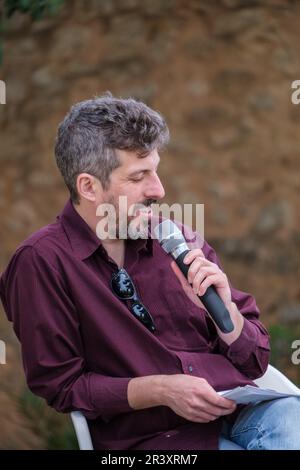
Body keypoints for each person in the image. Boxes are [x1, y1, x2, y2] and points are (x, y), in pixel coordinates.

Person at [0, 93, 299, 450]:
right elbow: (62, 385)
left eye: (155, 171)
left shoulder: (178, 238)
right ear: (88, 186)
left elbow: (255, 360)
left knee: (292, 418)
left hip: (240, 410)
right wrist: (161, 390)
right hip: (155, 439)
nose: (158, 190)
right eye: (139, 176)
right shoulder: (41, 262)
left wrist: (227, 316)